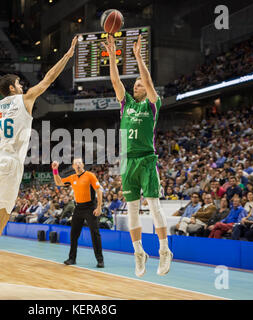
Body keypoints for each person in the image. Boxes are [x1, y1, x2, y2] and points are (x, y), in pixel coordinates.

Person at [0, 36, 78, 287]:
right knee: (4, 214)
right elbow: (49, 78)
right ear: (12, 88)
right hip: (10, 163)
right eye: (19, 83)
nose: (22, 85)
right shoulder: (25, 99)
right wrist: (67, 55)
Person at [102, 34, 172, 277]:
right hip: (127, 161)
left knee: (153, 205)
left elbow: (149, 82)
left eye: (139, 84)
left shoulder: (152, 104)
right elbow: (115, 81)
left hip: (146, 159)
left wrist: (138, 57)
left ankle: (164, 250)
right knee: (131, 209)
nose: (136, 85)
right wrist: (112, 58)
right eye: (135, 84)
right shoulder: (126, 104)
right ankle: (139, 252)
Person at [52, 158, 105, 268]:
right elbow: (58, 182)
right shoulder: (72, 177)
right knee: (74, 234)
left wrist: (99, 207)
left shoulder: (90, 175)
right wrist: (55, 170)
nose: (78, 164)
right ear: (73, 166)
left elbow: (98, 190)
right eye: (76, 163)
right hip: (78, 208)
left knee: (95, 234)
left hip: (91, 207)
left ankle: (100, 260)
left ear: (83, 164)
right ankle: (72, 258)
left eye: (80, 162)